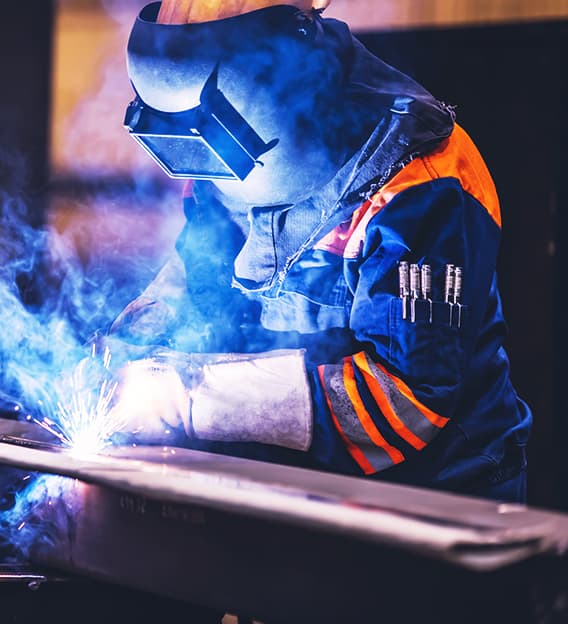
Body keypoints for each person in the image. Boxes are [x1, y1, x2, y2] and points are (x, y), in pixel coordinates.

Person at [105, 0, 531, 502]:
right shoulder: (217, 150)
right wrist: (133, 339)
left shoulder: (418, 177)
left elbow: (406, 404)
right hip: (290, 489)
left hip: (433, 501)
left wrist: (184, 396)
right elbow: (199, 270)